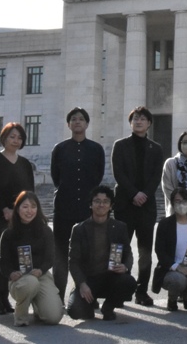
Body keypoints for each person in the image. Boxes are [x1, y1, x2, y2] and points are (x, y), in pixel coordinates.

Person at [50, 107, 105, 302]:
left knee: (89, 253)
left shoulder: (96, 149)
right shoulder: (60, 149)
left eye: (81, 119)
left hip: (87, 210)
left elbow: (97, 177)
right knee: (61, 254)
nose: (77, 122)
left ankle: (88, 296)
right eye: (73, 119)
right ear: (68, 124)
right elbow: (56, 177)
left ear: (87, 124)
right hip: (64, 208)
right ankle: (58, 298)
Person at [110, 106, 163, 306]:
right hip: (125, 204)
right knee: (119, 249)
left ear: (149, 123)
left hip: (146, 207)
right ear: (130, 123)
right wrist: (134, 193)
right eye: (135, 119)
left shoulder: (156, 148)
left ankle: (142, 292)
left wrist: (144, 194)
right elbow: (118, 173)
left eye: (142, 119)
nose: (138, 121)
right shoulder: (120, 145)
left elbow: (156, 176)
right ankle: (116, 290)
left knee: (145, 252)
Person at [0, 122, 35, 315]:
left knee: (12, 256)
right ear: (4, 138)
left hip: (19, 218)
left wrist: (22, 211)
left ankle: (7, 296)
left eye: (19, 137)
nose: (16, 140)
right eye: (12, 136)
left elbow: (29, 192)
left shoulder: (25, 164)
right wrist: (4, 208)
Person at [67, 185, 138, 321]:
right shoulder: (79, 229)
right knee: (75, 311)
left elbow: (128, 254)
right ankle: (89, 303)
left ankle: (108, 306)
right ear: (90, 204)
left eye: (106, 201)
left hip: (111, 277)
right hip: (89, 279)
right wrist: (81, 284)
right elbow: (73, 261)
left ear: (111, 206)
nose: (101, 205)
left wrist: (125, 266)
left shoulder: (120, 227)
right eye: (97, 201)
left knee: (129, 282)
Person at [0, 191, 63, 326]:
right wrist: (11, 273)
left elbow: (50, 257)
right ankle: (20, 316)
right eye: (25, 206)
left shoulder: (45, 231)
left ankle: (39, 307)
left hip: (41, 275)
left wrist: (41, 270)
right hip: (20, 278)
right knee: (30, 283)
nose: (30, 211)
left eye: (33, 206)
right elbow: (3, 261)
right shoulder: (8, 233)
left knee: (53, 317)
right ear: (17, 209)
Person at [153, 188, 187, 311]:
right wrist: (176, 266)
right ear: (172, 203)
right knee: (178, 280)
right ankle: (172, 299)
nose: (181, 204)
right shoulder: (164, 224)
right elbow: (160, 251)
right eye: (177, 201)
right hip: (171, 269)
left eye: (184, 201)